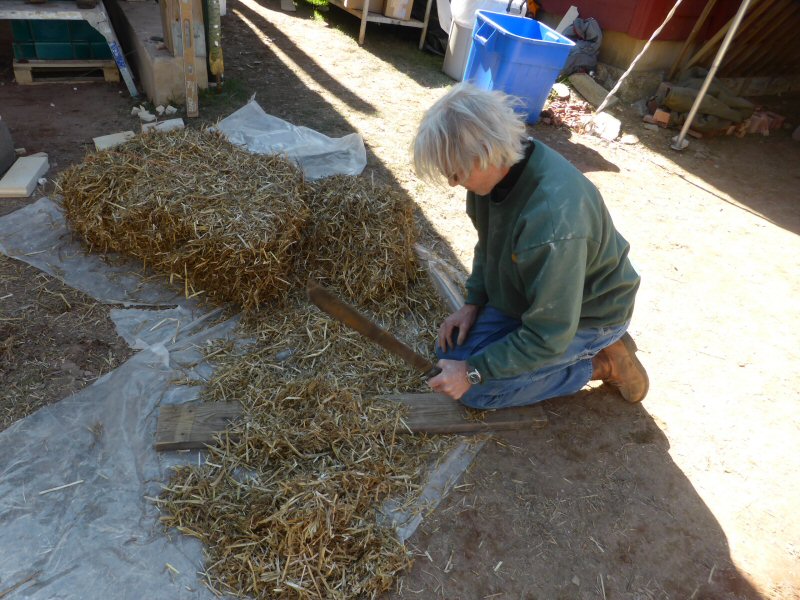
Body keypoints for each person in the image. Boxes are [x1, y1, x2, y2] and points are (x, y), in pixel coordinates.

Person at [413, 82, 648, 409]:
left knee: (478, 391)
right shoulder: (493, 174)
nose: (453, 183)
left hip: (586, 314)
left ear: (485, 153)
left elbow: (547, 334)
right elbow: (489, 245)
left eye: (454, 173)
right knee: (448, 355)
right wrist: (472, 303)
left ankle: (602, 363)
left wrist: (473, 372)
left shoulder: (551, 222)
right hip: (529, 295)